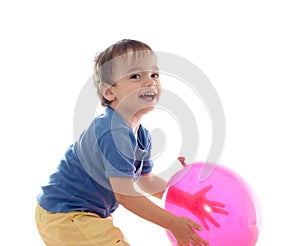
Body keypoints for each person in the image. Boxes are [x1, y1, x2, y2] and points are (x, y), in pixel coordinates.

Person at [35, 39, 209, 246]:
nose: (150, 82)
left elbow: (146, 181)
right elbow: (126, 196)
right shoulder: (112, 131)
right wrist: (172, 222)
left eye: (154, 74)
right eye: (136, 76)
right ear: (109, 92)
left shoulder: (141, 134)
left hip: (81, 214)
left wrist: (184, 199)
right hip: (67, 213)